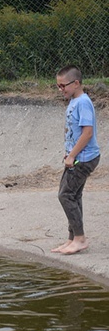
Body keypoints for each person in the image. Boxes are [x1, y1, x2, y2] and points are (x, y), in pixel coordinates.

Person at [51, 65, 100, 255]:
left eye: (63, 86)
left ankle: (80, 238)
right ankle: (72, 238)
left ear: (76, 83)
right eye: (58, 86)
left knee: (65, 195)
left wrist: (73, 155)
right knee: (73, 195)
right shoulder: (73, 101)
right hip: (76, 156)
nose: (61, 89)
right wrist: (69, 153)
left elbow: (87, 133)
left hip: (84, 158)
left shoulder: (83, 102)